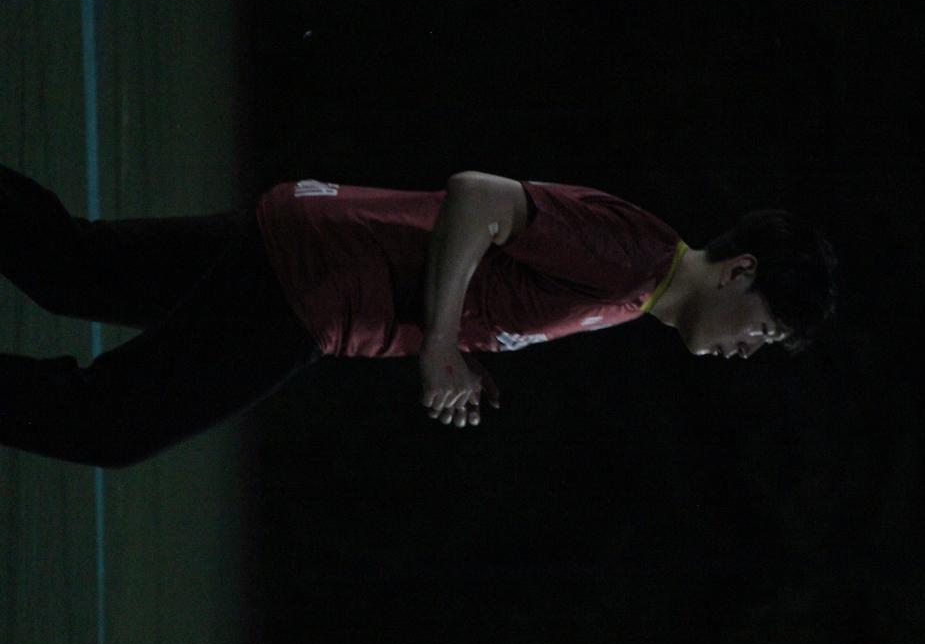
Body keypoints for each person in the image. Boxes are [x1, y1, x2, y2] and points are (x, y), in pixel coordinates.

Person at [0, 165, 837, 469]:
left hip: (312, 244)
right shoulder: (635, 258)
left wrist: (463, 348)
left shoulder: (637, 288)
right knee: (108, 424)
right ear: (740, 272)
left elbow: (492, 263)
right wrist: (439, 344)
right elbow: (479, 197)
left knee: (71, 267)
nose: (750, 349)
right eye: (763, 329)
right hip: (317, 281)